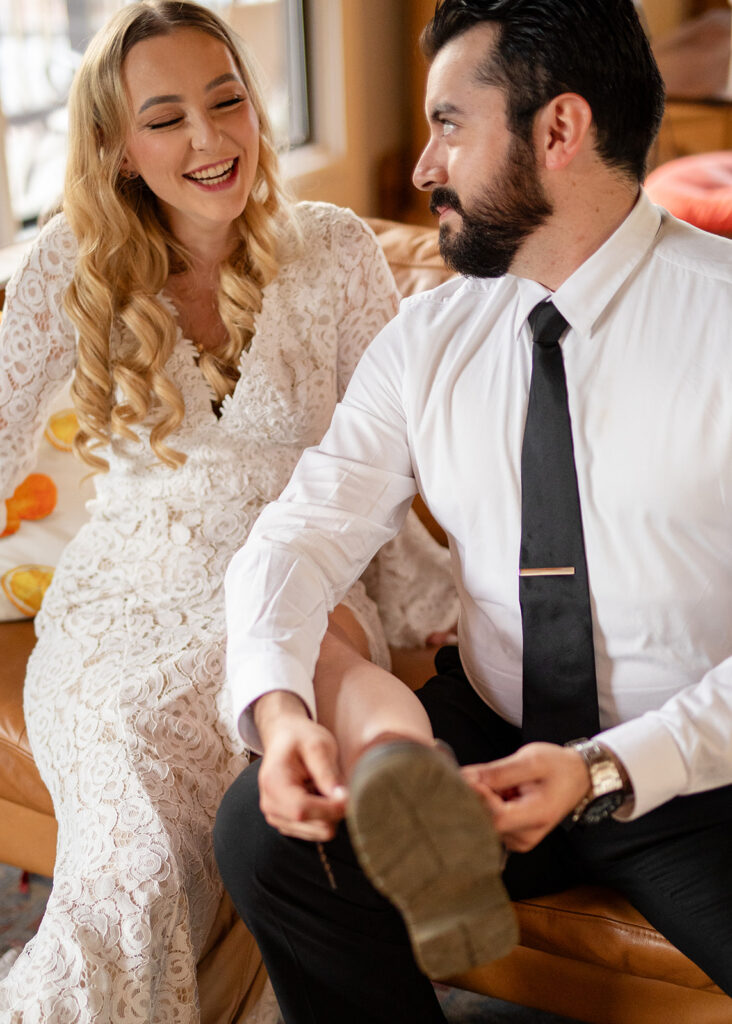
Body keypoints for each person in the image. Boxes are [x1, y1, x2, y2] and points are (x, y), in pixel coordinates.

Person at [214, 1, 732, 1021]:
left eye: (450, 123)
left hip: (697, 769)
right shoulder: (429, 339)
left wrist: (605, 769)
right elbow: (301, 532)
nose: (420, 166)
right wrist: (279, 716)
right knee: (267, 839)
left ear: (557, 132)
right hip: (490, 741)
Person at [0, 2, 458, 1020]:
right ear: (117, 147)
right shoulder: (65, 268)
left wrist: (440, 590)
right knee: (133, 876)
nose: (210, 140)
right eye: (165, 119)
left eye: (227, 101)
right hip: (125, 620)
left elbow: (391, 455)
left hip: (295, 590)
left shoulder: (335, 251)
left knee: (316, 729)